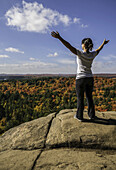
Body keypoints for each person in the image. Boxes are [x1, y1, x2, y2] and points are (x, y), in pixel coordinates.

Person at [51, 31, 109, 121]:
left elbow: (68, 46)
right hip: (90, 78)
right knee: (89, 97)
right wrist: (103, 44)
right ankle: (92, 115)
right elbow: (99, 50)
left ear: (83, 45)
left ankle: (79, 116)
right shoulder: (92, 54)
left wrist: (59, 38)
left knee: (80, 98)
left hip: (81, 79)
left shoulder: (80, 53)